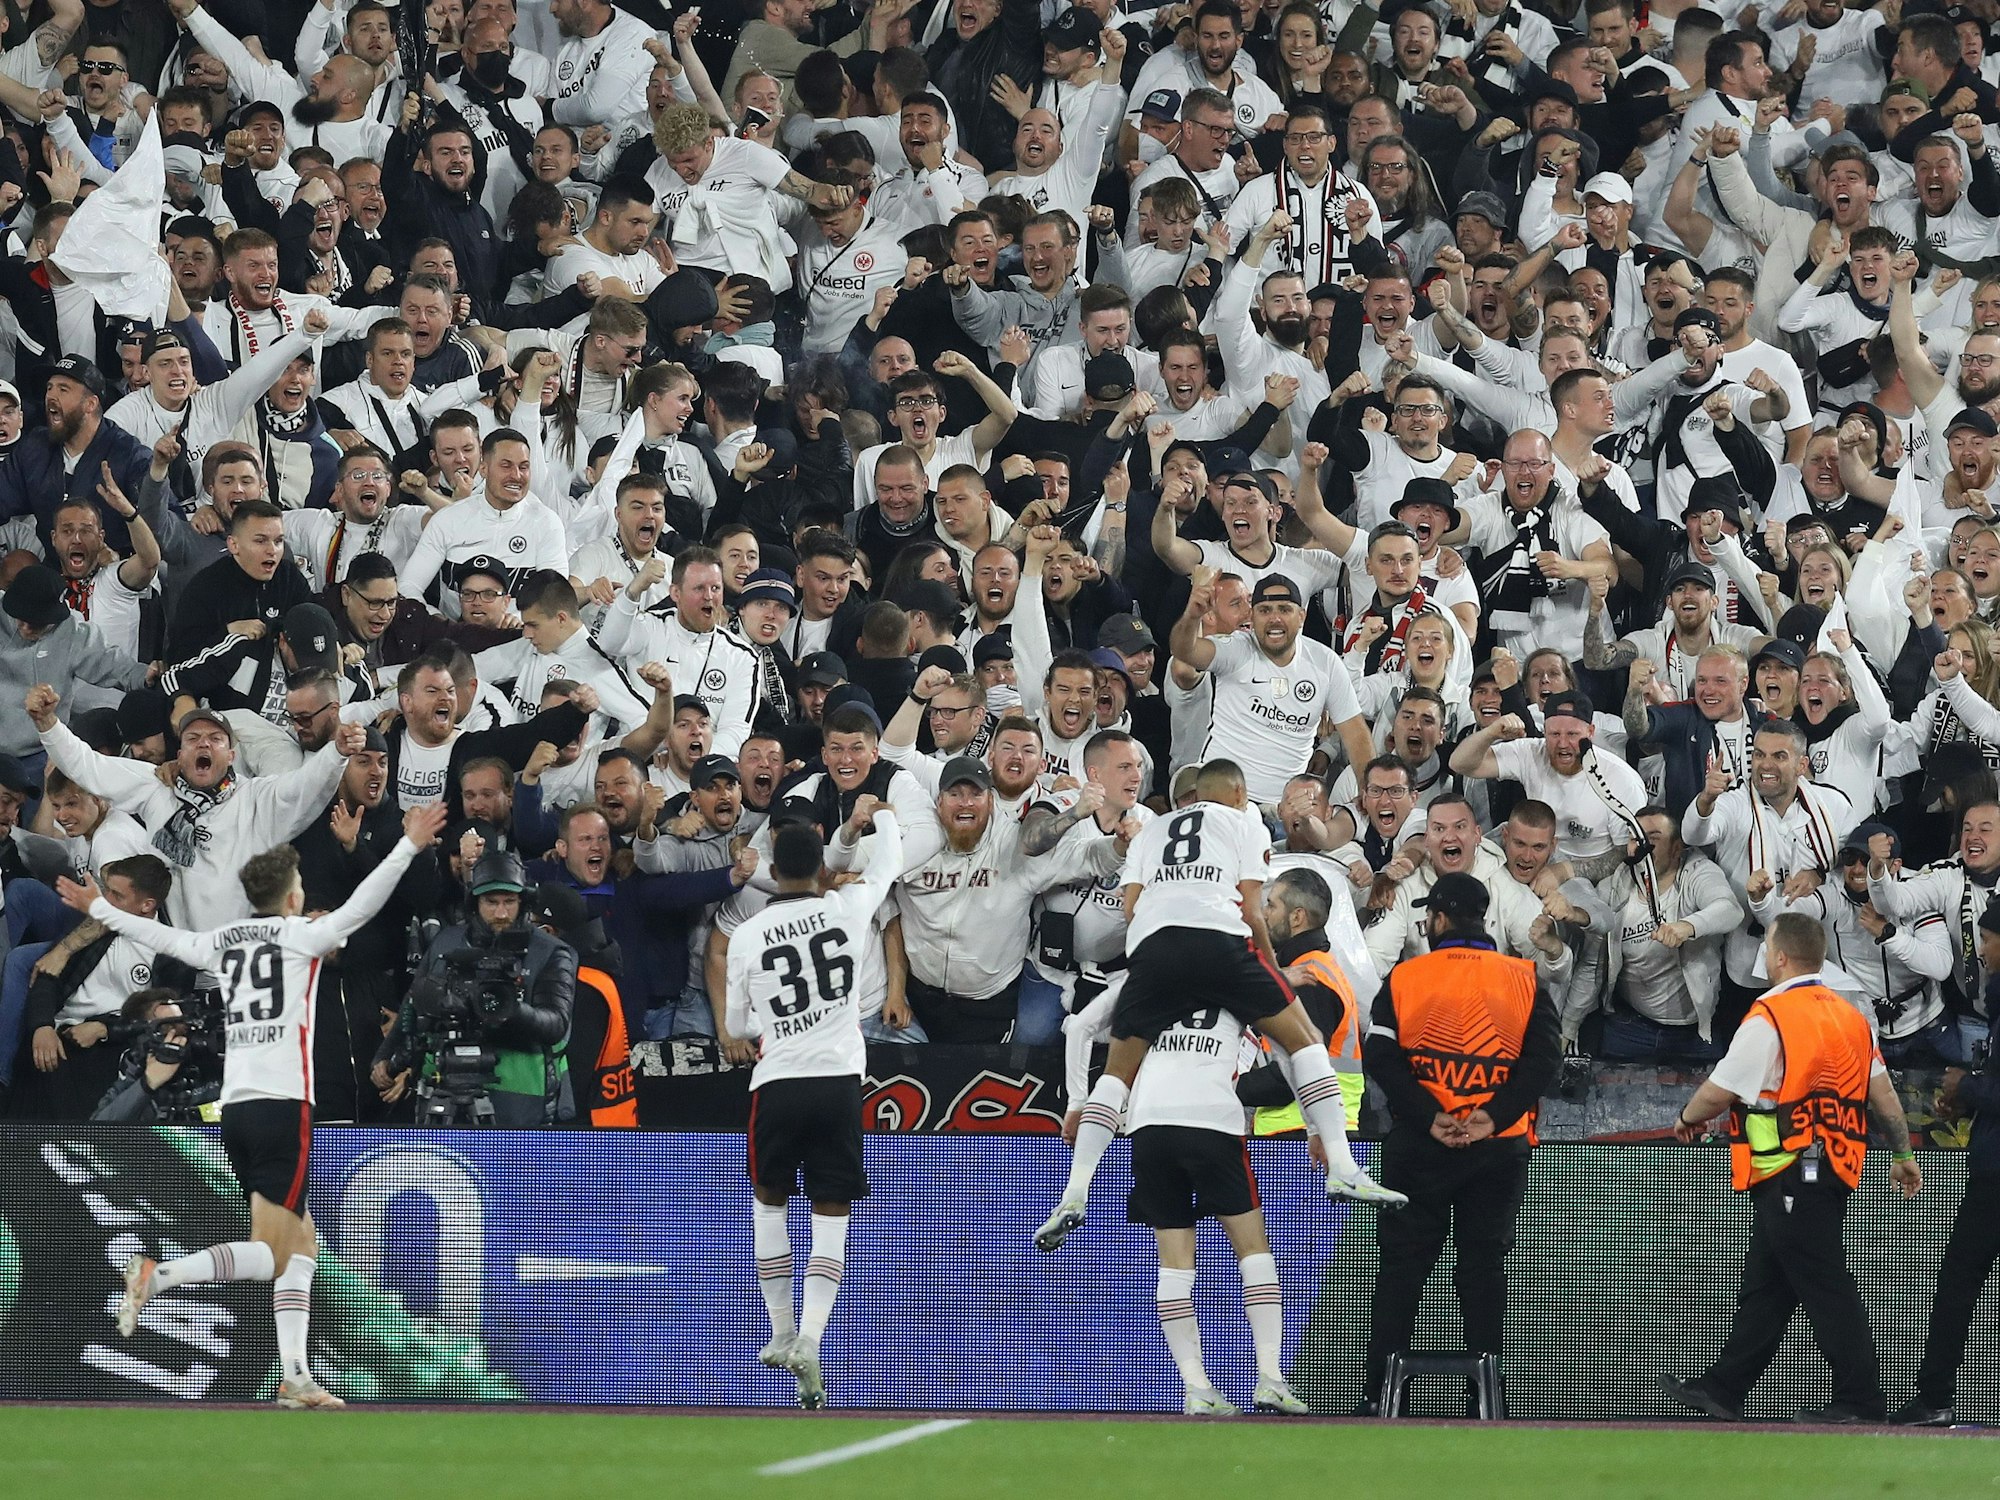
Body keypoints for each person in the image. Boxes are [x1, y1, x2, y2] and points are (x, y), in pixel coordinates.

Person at [64, 800, 446, 1410]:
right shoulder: (302, 936)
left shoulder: (224, 941)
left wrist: (100, 908)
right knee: (274, 1251)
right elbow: (364, 906)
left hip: (237, 1110)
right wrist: (409, 844)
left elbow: (160, 933)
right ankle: (159, 1276)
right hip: (281, 1106)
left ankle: (294, 1376)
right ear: (292, 896)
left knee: (303, 1247)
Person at [1038, 758, 1403, 1253]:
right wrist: (1271, 972)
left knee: (1117, 1074)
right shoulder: (1244, 821)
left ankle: (1075, 1189)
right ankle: (1341, 1164)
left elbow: (1129, 909)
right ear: (1237, 793)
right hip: (1218, 947)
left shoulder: (1151, 829)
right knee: (1305, 1040)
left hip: (1153, 950)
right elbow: (1253, 909)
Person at [1661, 912, 1922, 1424]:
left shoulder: (1772, 1013)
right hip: (1835, 1167)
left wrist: (1687, 1116)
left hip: (1789, 1167)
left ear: (1778, 956)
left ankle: (1861, 1402)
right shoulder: (1851, 1017)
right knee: (1770, 1283)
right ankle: (1723, 1389)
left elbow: (1721, 1089)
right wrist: (1903, 1154)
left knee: (1823, 1283)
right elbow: (1884, 1098)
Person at [1359, 871, 1561, 1408]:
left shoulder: (1406, 976)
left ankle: (1381, 1397)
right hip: (1496, 1149)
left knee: (1402, 1268)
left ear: (1440, 919)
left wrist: (1430, 1116)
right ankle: (1484, 1400)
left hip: (1421, 1145)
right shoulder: (1524, 977)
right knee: (1482, 1267)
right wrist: (1491, 1117)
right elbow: (1545, 1060)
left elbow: (1380, 1056)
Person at [727, 802, 903, 1410]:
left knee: (769, 1196)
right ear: (821, 870)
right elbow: (890, 865)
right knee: (831, 1212)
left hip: (776, 1082)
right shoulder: (847, 909)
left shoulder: (748, 934)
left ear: (775, 871)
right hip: (836, 1082)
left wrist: (767, 1018)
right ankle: (810, 1337)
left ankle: (779, 1331)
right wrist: (883, 820)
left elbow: (735, 1024)